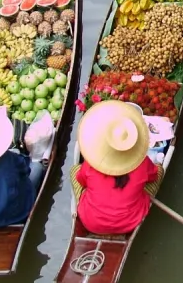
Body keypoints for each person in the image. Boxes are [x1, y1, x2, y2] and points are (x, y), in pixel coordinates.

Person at [70, 100, 164, 235]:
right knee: (159, 169)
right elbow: (154, 175)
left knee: (74, 170)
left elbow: (81, 181)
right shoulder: (142, 163)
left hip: (91, 221)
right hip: (129, 222)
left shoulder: (92, 163)